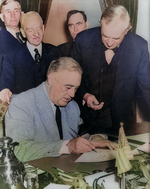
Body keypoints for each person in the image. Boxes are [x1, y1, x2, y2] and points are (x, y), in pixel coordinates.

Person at [5, 57, 117, 162]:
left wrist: (94, 139)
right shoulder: (21, 103)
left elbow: (76, 138)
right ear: (51, 79)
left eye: (76, 88)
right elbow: (18, 150)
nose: (72, 94)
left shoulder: (72, 107)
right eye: (68, 87)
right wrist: (68, 146)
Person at [73, 5, 150, 135]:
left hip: (123, 123)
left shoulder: (139, 47)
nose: (109, 43)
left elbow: (146, 89)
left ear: (127, 29)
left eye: (116, 38)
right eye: (105, 36)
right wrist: (85, 95)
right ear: (101, 24)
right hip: (87, 121)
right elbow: (71, 77)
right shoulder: (82, 40)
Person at [0, 11, 61, 102]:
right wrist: (5, 89)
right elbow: (6, 80)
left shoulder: (55, 51)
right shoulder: (11, 55)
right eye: (30, 30)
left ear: (43, 29)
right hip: (25, 106)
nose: (36, 34)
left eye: (38, 29)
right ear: (23, 32)